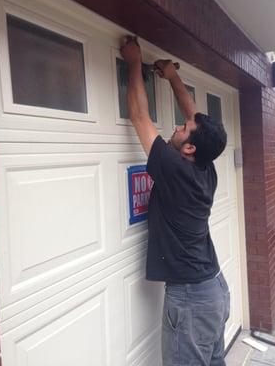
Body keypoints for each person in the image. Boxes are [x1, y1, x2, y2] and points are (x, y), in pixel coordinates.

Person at [120, 35, 230, 366]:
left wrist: (134, 62)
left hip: (192, 299)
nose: (178, 126)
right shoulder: (205, 168)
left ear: (190, 148)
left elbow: (140, 116)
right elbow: (196, 119)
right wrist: (173, 77)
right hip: (214, 292)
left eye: (182, 128)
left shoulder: (175, 169)